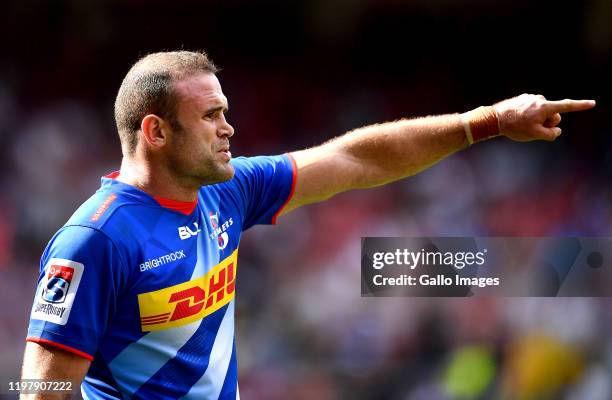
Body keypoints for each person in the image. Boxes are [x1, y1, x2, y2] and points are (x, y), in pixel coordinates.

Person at [20, 50, 595, 400]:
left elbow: (355, 159)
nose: (230, 129)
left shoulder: (228, 191)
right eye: (212, 116)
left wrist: (488, 121)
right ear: (157, 131)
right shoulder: (96, 241)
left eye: (227, 112)